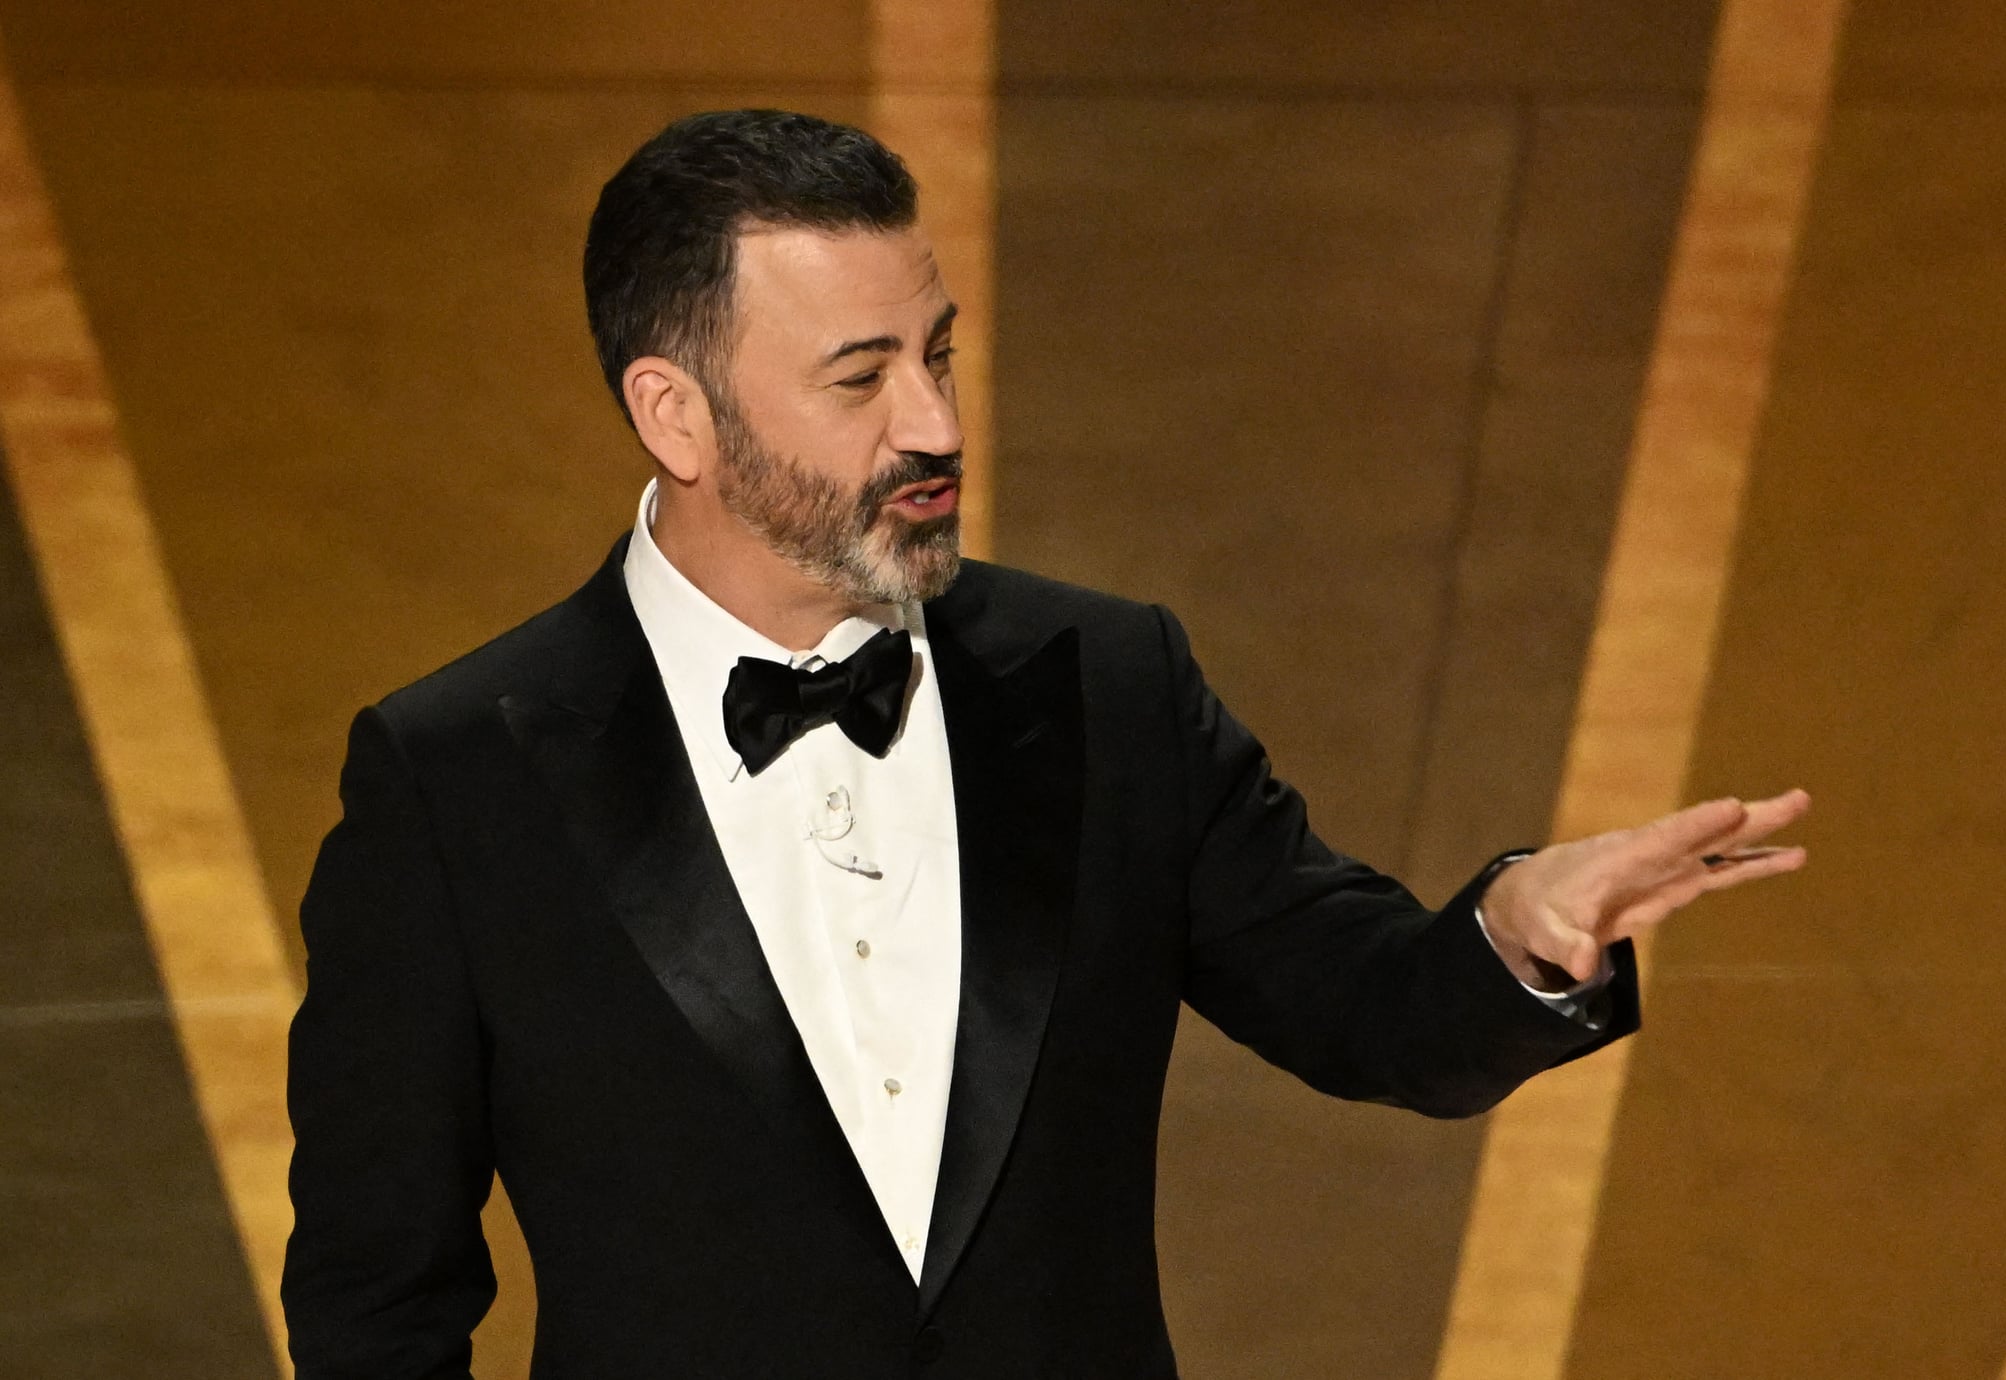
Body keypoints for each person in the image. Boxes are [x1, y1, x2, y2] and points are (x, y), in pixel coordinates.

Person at [281, 108, 1809, 1379]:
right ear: (675, 418)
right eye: (860, 377)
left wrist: (1517, 934)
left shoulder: (1107, 686)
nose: (936, 425)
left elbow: (1364, 1008)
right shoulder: (454, 781)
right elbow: (378, 1301)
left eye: (938, 355)